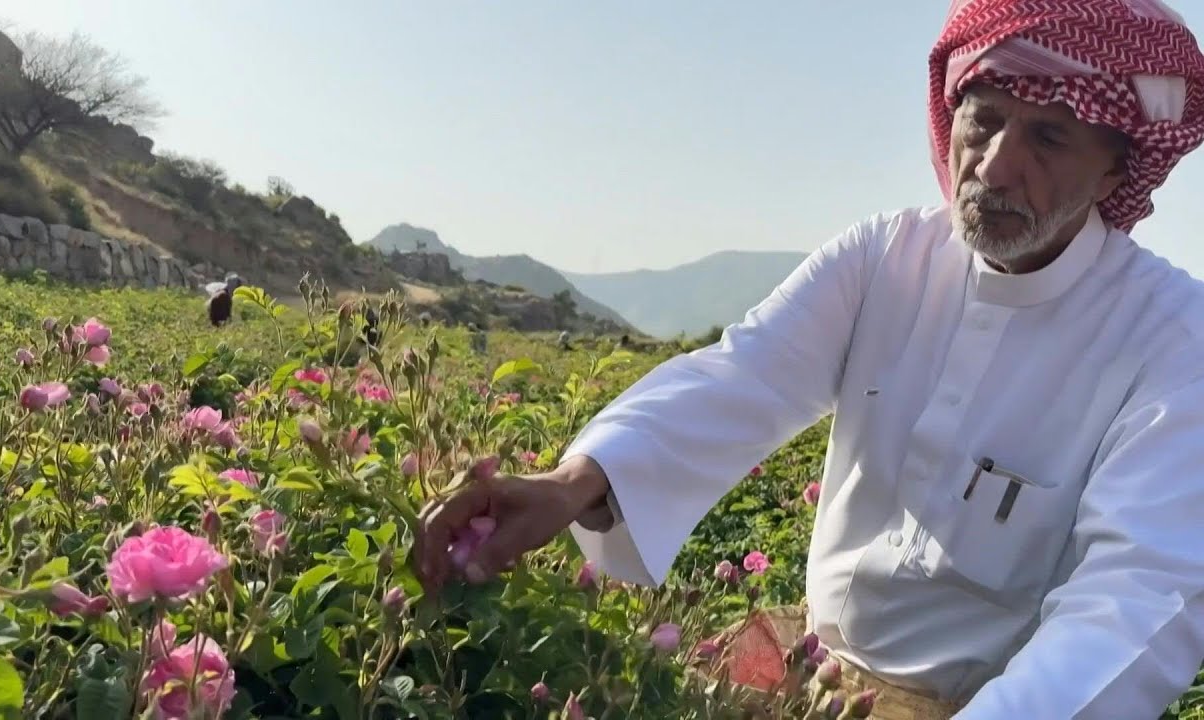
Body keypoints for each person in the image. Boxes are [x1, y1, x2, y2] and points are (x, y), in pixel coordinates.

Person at [414, 1, 1204, 718]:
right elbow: (745, 372)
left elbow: (1138, 593)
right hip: (813, 676)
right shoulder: (884, 255)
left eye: (1049, 136)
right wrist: (575, 481)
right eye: (985, 119)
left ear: (1114, 166)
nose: (996, 166)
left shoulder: (1172, 338)